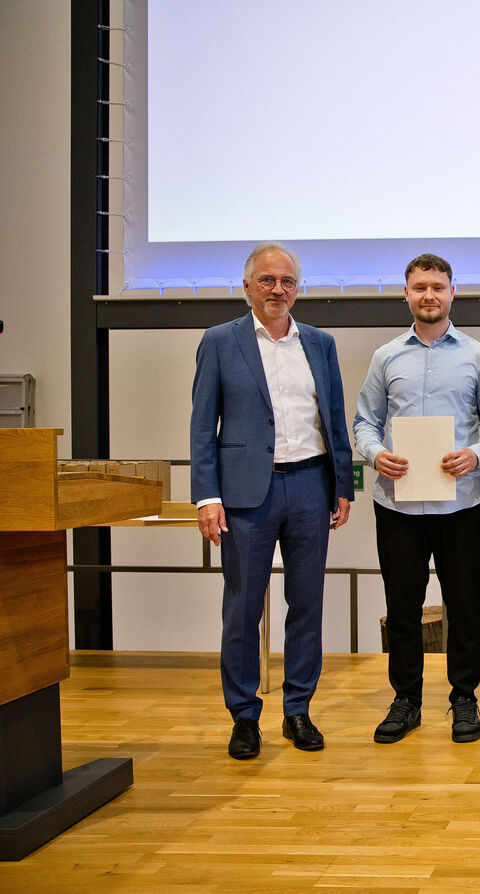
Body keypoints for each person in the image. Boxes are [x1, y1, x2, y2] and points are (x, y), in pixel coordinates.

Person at [190, 242, 354, 760]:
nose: (277, 289)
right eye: (266, 280)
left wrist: (343, 485)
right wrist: (206, 496)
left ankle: (298, 710)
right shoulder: (220, 342)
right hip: (243, 496)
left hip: (309, 486)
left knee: (306, 605)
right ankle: (243, 717)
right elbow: (202, 426)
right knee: (241, 608)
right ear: (247, 287)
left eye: (286, 281)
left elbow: (333, 416)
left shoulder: (320, 344)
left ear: (297, 288)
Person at [352, 254, 480, 745]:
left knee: (464, 604)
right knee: (403, 607)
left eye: (437, 287)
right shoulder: (385, 357)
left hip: (461, 504)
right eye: (419, 288)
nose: (428, 295)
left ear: (453, 292)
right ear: (406, 294)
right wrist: (376, 455)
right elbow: (364, 423)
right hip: (398, 506)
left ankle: (464, 699)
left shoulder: (479, 356)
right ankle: (406, 700)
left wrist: (476, 456)